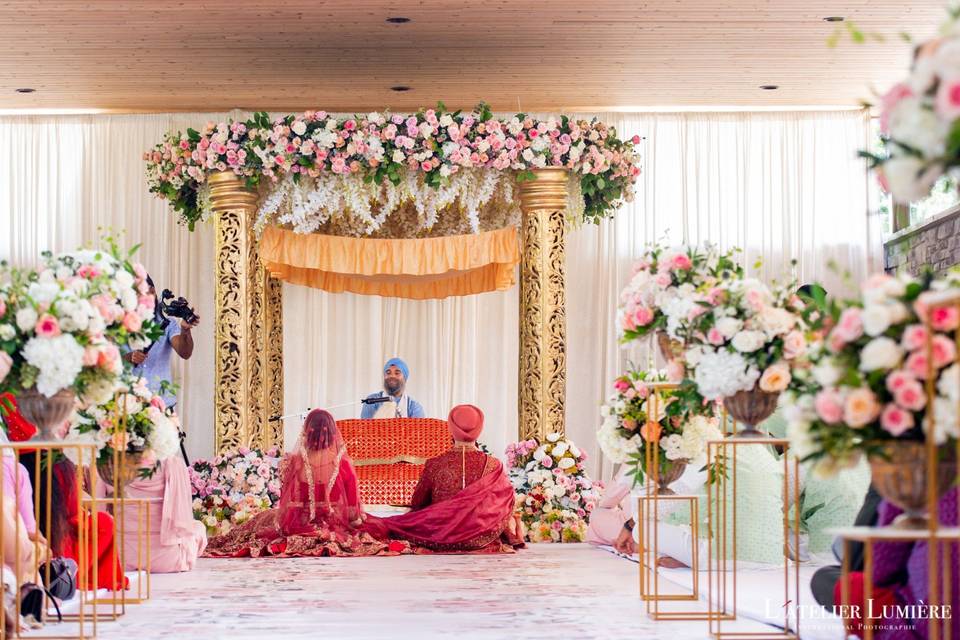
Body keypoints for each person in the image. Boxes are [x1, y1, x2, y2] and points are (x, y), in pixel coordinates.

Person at [205, 409, 402, 557]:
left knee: (259, 522)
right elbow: (352, 514)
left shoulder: (297, 462)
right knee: (372, 526)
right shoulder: (341, 462)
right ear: (333, 433)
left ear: (307, 432)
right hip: (333, 524)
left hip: (299, 524)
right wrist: (353, 520)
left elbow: (290, 504)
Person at [376, 404, 524, 553]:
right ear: (479, 429)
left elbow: (418, 503)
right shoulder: (494, 465)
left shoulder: (435, 464)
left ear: (451, 428)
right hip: (481, 536)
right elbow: (505, 506)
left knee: (387, 526)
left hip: (439, 535)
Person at [97, 456, 207, 573]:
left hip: (121, 559)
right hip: (167, 560)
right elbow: (182, 522)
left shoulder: (108, 466)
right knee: (198, 527)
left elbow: (98, 516)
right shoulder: (172, 463)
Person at [126, 275, 199, 410]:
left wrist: (185, 330)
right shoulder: (120, 325)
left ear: (154, 292)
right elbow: (111, 359)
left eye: (150, 292)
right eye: (139, 295)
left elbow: (185, 353)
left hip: (162, 405)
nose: (145, 299)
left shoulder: (168, 324)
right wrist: (129, 357)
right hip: (129, 404)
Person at [360, 358, 425, 419]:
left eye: (397, 373)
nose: (392, 376)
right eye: (388, 373)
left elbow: (418, 430)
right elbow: (365, 429)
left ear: (405, 378)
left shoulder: (414, 407)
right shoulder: (371, 401)